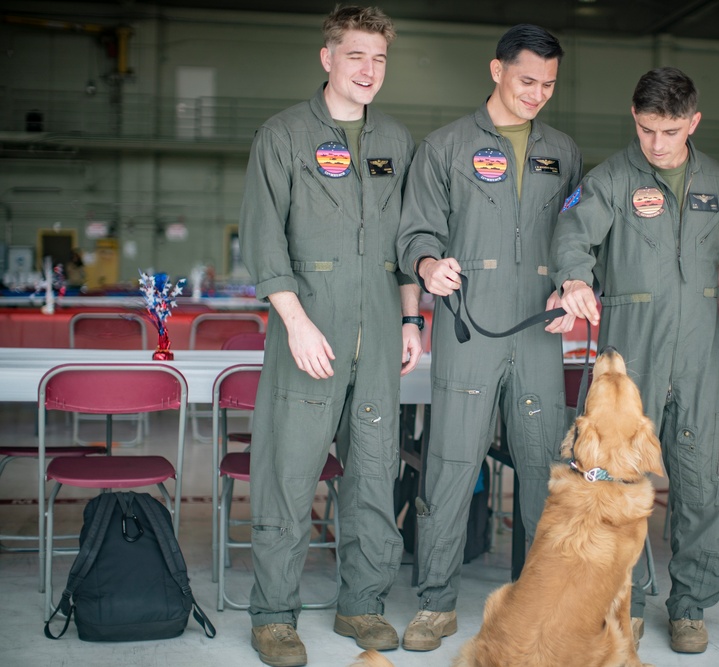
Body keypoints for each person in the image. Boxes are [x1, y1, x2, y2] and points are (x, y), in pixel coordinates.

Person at [238, 7, 422, 666]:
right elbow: (263, 238)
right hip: (308, 329)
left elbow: (407, 243)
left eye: (378, 58)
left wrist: (410, 317)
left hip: (378, 327)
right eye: (356, 56)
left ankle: (362, 603)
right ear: (327, 58)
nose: (368, 70)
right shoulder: (283, 135)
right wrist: (294, 321)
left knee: (373, 474)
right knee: (289, 477)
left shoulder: (397, 141)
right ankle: (273, 614)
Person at [395, 23, 582, 653]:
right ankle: (435, 604)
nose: (537, 94)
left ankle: (535, 602)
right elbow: (416, 231)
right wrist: (428, 266)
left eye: (549, 85)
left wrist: (572, 285)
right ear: (497, 70)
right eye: (527, 80)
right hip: (469, 325)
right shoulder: (445, 147)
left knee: (541, 468)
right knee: (450, 463)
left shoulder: (564, 150)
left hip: (538, 330)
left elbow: (576, 238)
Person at [551, 66, 719, 655]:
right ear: (635, 118)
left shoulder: (718, 180)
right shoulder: (608, 180)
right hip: (631, 356)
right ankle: (609, 602)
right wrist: (576, 279)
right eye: (649, 128)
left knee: (704, 478)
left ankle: (690, 606)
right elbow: (572, 235)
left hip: (702, 354)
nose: (658, 143)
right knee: (611, 483)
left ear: (694, 123)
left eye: (672, 130)